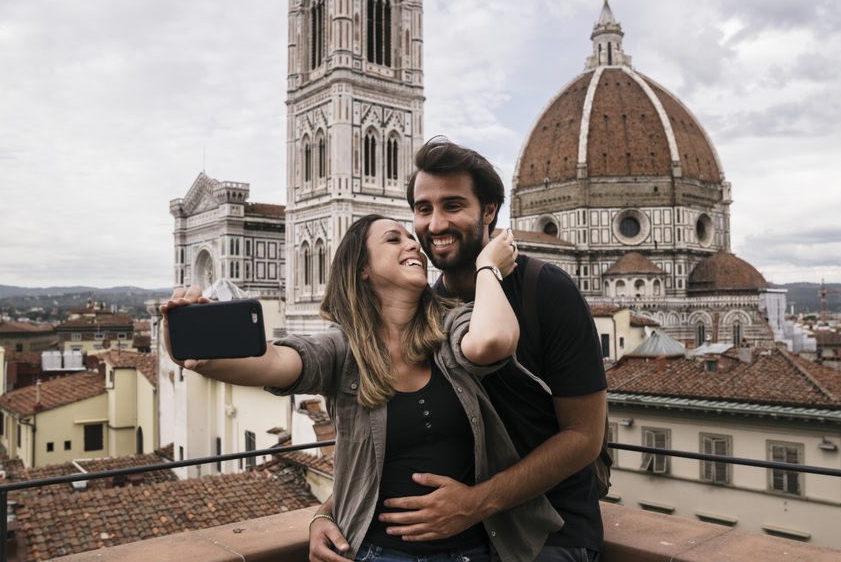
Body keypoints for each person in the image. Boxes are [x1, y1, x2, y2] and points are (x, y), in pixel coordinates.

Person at [160, 214, 562, 562]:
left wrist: (487, 266)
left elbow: (493, 341)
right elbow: (271, 362)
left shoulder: (450, 325)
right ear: (362, 270)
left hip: (472, 550)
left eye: (411, 238)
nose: (414, 245)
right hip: (374, 553)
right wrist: (182, 341)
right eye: (394, 239)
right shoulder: (341, 350)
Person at [310, 138, 607, 562]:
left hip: (551, 535)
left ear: (488, 211)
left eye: (452, 206)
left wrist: (474, 504)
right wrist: (326, 513)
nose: (434, 225)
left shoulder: (547, 291)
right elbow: (392, 440)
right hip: (466, 539)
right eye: (423, 209)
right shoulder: (426, 311)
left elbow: (584, 438)